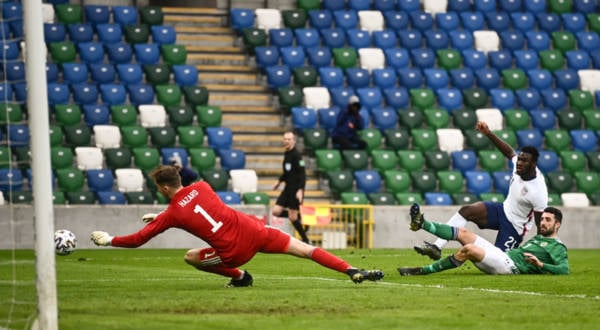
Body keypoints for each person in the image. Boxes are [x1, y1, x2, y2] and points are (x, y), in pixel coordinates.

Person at [90, 165, 384, 287]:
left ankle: (241, 277)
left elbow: (139, 240)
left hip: (234, 251)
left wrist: (110, 240)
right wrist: (162, 214)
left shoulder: (172, 213)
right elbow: (195, 204)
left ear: (164, 188)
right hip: (255, 230)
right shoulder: (203, 186)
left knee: (192, 257)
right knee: (305, 249)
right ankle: (351, 270)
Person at [414, 120, 548, 260]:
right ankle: (437, 247)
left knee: (498, 262)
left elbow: (541, 224)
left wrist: (540, 249)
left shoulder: (538, 191)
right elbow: (509, 152)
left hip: (515, 227)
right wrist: (488, 133)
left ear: (533, 164)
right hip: (502, 211)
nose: (519, 163)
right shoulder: (518, 166)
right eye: (519, 159)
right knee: (467, 211)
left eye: (524, 161)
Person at [398, 203, 569, 276]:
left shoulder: (558, 246)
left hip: (510, 268)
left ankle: (422, 270)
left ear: (557, 225)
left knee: (469, 249)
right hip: (504, 256)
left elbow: (564, 270)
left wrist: (540, 265)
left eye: (548, 220)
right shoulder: (538, 239)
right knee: (464, 233)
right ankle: (422, 223)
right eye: (543, 219)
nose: (543, 222)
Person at [272, 131, 310, 243]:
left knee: (293, 218)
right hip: (287, 189)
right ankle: (300, 219)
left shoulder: (297, 156)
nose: (286, 141)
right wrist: (279, 181)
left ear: (293, 141)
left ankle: (306, 240)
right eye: (285, 139)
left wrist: (300, 190)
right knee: (276, 211)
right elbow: (287, 172)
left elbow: (302, 174)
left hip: (295, 189)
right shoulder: (286, 154)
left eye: (289, 139)